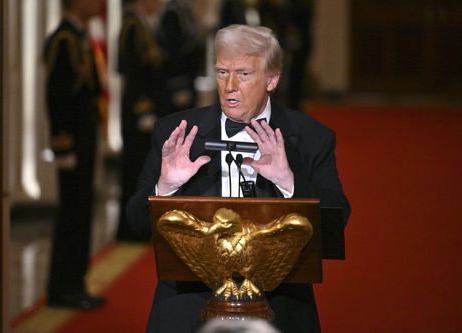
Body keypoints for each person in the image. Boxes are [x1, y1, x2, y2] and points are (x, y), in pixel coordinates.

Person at [127, 24, 350, 333]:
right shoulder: (176, 133)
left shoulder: (310, 138)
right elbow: (136, 224)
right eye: (222, 72)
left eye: (244, 74)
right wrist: (166, 187)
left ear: (272, 79)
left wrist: (289, 184)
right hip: (187, 307)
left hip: (279, 307)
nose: (230, 85)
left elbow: (335, 227)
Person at [43, 0, 105, 309]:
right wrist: (62, 144)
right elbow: (56, 96)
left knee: (81, 211)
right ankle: (64, 287)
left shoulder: (80, 36)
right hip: (73, 141)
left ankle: (75, 282)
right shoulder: (64, 40)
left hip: (85, 137)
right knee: (72, 213)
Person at [116, 0, 165, 241]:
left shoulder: (143, 25)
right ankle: (129, 229)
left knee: (142, 169)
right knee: (134, 169)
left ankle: (137, 226)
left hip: (144, 109)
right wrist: (143, 109)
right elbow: (133, 72)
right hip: (137, 111)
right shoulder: (132, 26)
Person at [157, 0, 204, 114]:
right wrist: (179, 86)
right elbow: (173, 52)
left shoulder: (183, 10)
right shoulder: (171, 13)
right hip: (179, 80)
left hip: (189, 77)